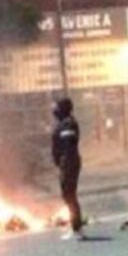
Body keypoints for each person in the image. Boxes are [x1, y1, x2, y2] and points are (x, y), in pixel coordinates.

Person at [52, 98, 86, 241]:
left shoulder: (67, 124)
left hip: (69, 162)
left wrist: (65, 162)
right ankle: (76, 227)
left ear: (63, 109)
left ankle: (77, 229)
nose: (54, 111)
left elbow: (68, 145)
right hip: (66, 162)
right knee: (68, 195)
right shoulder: (63, 124)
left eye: (56, 108)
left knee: (70, 195)